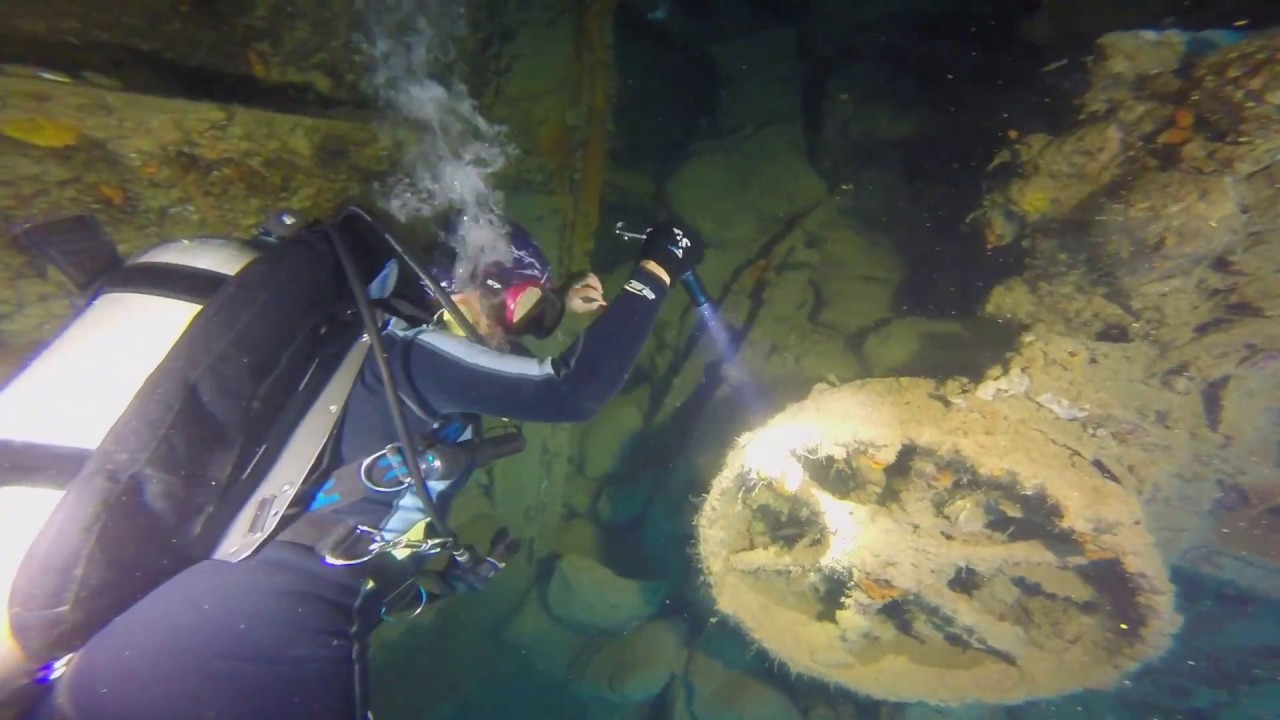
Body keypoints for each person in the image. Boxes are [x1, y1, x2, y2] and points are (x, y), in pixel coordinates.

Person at [34, 214, 704, 720]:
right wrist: (657, 270)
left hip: (229, 619)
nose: (515, 332)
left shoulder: (402, 372)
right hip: (254, 619)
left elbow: (347, 523)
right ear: (474, 283)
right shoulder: (412, 352)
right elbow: (572, 390)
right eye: (521, 307)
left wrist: (432, 585)